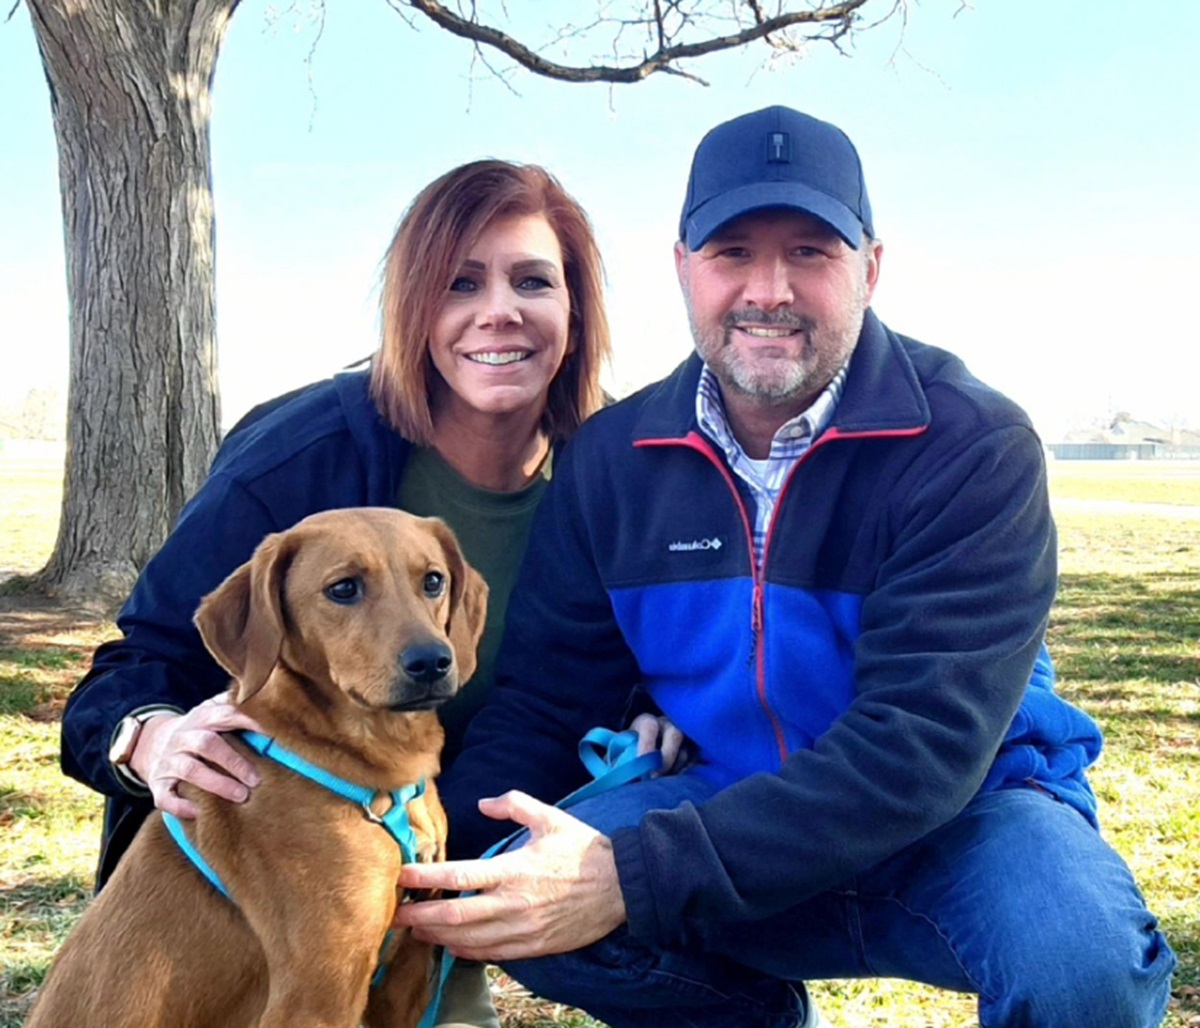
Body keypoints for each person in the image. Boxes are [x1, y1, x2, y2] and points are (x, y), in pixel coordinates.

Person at [394, 107, 1178, 1027]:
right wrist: (431, 850)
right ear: (683, 265)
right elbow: (548, 698)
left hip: (969, 817)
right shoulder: (611, 459)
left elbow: (918, 749)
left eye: (811, 251)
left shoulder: (972, 442)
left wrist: (632, 875)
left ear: (871, 268)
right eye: (732, 253)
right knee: (513, 890)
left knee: (1082, 962)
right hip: (720, 795)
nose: (769, 289)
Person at [59, 158, 612, 1028]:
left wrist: (664, 710)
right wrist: (150, 739)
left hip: (458, 833)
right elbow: (136, 667)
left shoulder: (612, 469)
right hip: (278, 870)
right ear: (412, 306)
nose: (499, 310)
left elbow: (659, 633)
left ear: (574, 311)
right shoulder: (300, 457)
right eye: (460, 282)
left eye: (533, 280)